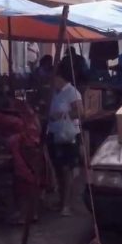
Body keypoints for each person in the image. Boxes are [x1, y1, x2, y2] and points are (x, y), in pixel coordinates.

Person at [47, 68, 83, 217]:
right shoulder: (55, 93)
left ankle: (67, 204)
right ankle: (61, 200)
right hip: (55, 134)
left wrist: (63, 114)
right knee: (58, 169)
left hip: (69, 136)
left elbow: (80, 112)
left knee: (66, 170)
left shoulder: (72, 92)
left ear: (60, 78)